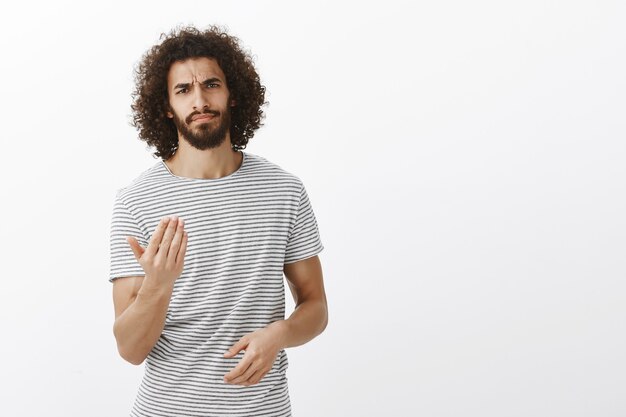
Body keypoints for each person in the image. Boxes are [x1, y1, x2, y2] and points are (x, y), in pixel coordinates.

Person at [109, 24, 328, 417]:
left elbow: (315, 306)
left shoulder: (284, 191)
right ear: (165, 106)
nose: (199, 100)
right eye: (183, 90)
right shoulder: (136, 201)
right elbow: (130, 349)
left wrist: (279, 334)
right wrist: (158, 285)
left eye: (211, 84)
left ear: (233, 94)